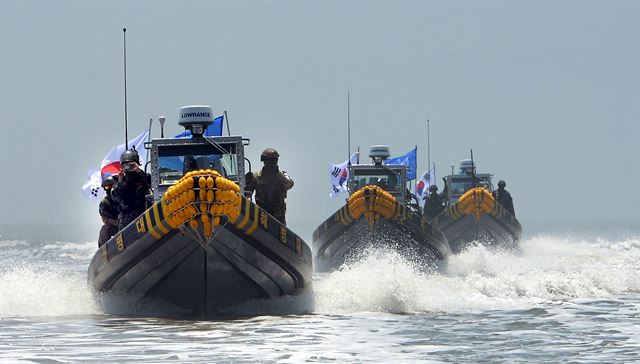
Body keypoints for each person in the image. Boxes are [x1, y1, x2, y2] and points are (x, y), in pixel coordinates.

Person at [245, 148, 294, 224]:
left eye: (274, 160)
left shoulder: (281, 175)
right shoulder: (257, 176)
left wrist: (278, 174)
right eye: (270, 160)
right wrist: (247, 181)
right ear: (264, 161)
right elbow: (247, 193)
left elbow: (289, 185)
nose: (272, 163)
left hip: (278, 216)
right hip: (262, 214)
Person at [111, 149, 152, 230]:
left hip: (142, 213)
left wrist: (139, 171)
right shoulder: (119, 179)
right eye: (125, 165)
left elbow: (151, 183)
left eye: (131, 164)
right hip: (126, 216)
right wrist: (120, 180)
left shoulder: (142, 177)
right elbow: (115, 196)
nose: (128, 167)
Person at [98, 176, 119, 247]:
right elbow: (105, 219)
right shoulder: (105, 202)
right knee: (105, 229)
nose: (110, 189)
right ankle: (103, 251)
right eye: (107, 187)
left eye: (113, 186)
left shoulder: (125, 196)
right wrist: (116, 223)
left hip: (131, 221)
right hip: (117, 225)